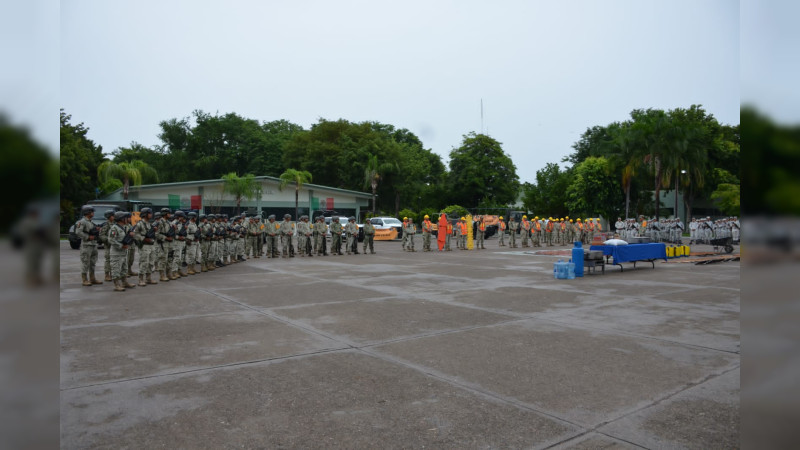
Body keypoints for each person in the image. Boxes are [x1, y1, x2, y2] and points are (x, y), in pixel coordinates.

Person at [75, 205, 103, 286]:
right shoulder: (82, 222)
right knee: (85, 262)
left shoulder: (90, 222)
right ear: (87, 213)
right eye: (92, 212)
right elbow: (78, 232)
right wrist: (87, 237)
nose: (93, 213)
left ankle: (92, 278)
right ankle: (84, 279)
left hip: (93, 244)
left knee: (93, 262)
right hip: (86, 245)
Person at [108, 212, 135, 291]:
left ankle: (124, 282)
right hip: (116, 253)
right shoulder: (114, 228)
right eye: (125, 218)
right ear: (121, 219)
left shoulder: (123, 227)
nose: (127, 219)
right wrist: (121, 245)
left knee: (124, 268)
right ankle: (117, 285)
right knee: (116, 268)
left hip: (123, 252)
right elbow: (111, 240)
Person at [133, 207, 158, 285]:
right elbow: (135, 234)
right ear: (145, 214)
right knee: (144, 262)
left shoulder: (150, 224)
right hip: (144, 246)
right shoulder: (140, 224)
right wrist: (143, 239)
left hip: (151, 245)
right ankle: (141, 279)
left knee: (151, 262)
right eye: (149, 213)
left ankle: (148, 278)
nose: (151, 215)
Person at [99, 209, 114, 281]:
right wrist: (109, 240)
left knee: (114, 260)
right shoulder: (106, 225)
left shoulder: (115, 224)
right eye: (112, 216)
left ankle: (113, 274)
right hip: (108, 246)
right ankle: (107, 275)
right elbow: (102, 235)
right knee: (108, 260)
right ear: (109, 217)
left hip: (114, 246)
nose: (114, 217)